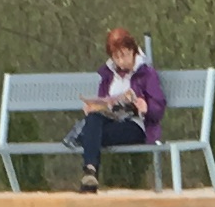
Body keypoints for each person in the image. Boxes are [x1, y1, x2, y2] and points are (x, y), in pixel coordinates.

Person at [63, 30, 164, 196]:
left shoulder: (146, 73)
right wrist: (95, 106)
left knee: (90, 134)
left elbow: (158, 107)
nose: (121, 61)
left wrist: (145, 107)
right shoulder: (108, 74)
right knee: (93, 118)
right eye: (116, 57)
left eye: (124, 55)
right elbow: (103, 100)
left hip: (135, 125)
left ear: (133, 51)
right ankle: (90, 172)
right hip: (111, 121)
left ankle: (88, 169)